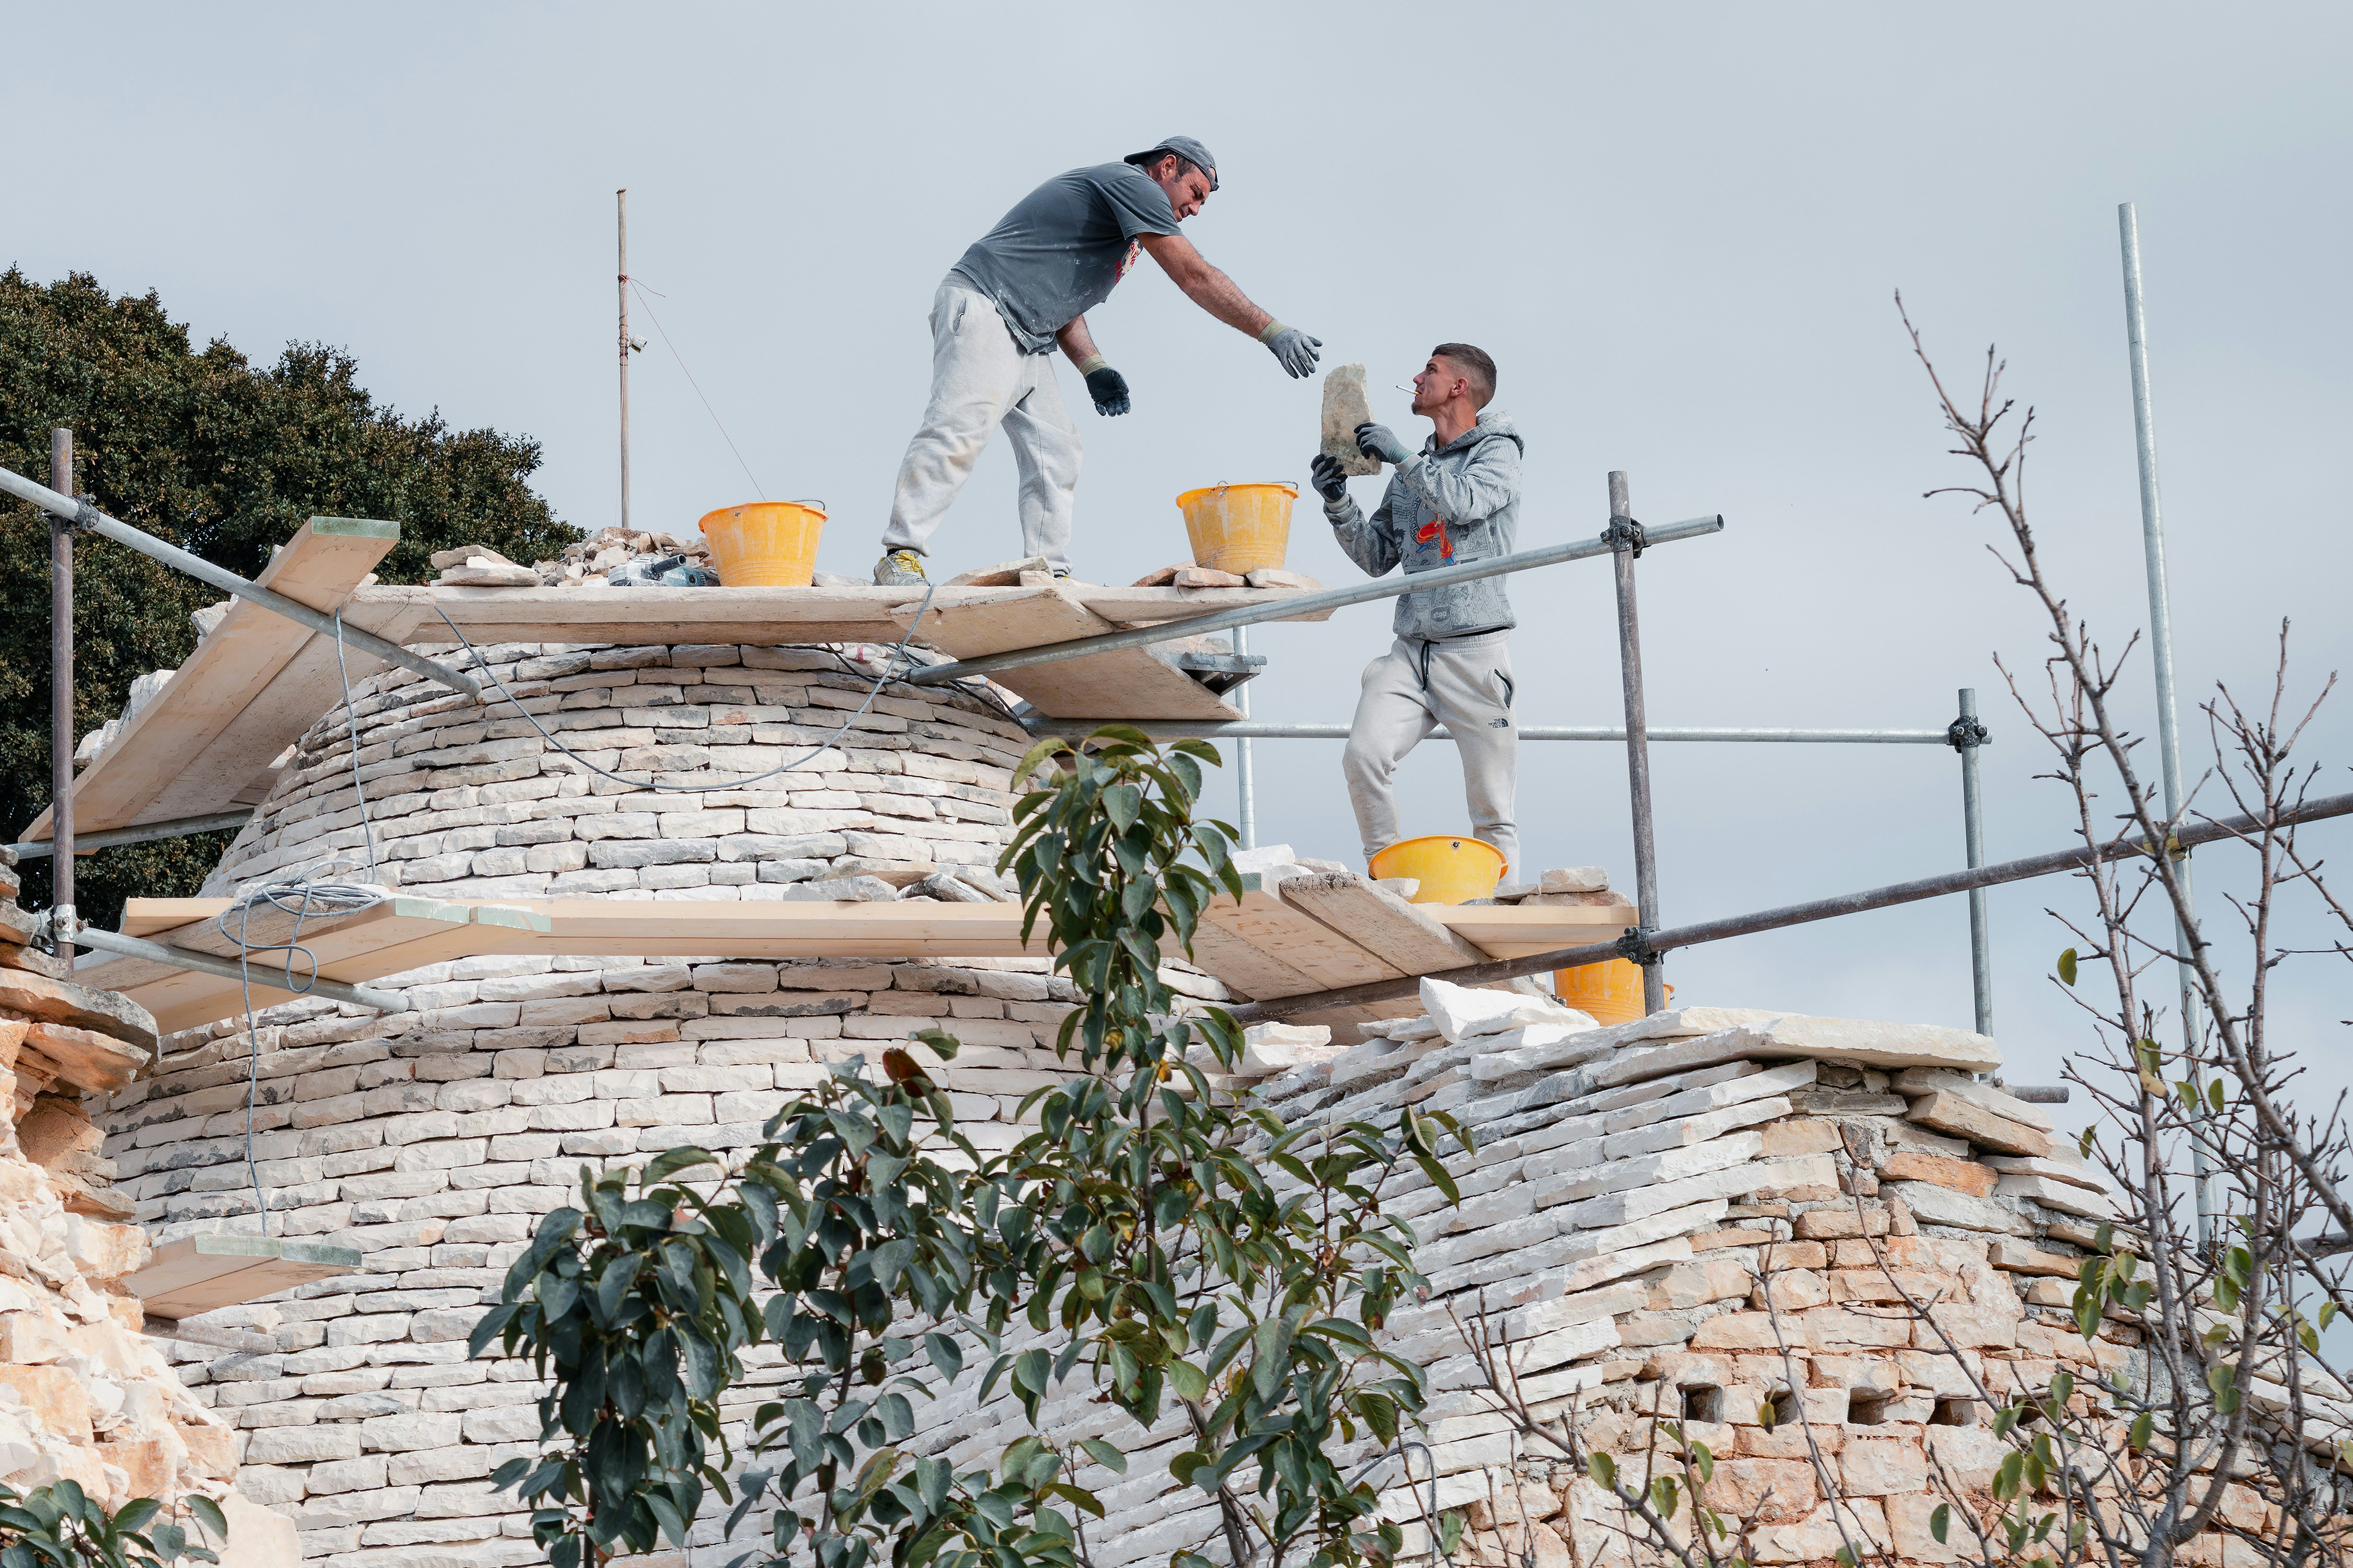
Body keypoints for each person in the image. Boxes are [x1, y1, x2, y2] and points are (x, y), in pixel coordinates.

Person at [876, 136, 1322, 584]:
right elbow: (1194, 276)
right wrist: (1270, 331)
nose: (1195, 210)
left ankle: (1046, 574)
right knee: (961, 428)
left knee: (1057, 451)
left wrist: (1093, 366)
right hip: (986, 306)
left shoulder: (1128, 215)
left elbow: (1064, 297)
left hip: (1025, 330)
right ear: (1168, 167)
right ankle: (901, 554)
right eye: (1195, 194)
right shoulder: (1136, 186)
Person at [1309, 343, 1524, 880]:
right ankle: (1389, 878)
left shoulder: (1499, 453)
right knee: (1362, 757)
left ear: (1459, 387)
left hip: (1475, 655)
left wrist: (1403, 459)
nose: (1416, 377)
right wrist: (1338, 504)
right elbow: (1376, 556)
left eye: (1430, 370)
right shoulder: (1413, 470)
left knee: (1493, 811)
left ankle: (1501, 923)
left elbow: (1465, 504)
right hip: (1411, 651)